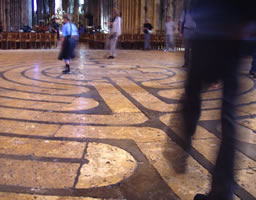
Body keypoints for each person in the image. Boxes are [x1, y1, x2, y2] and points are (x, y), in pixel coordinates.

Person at [173, 1, 256, 200]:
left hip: (210, 33)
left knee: (193, 93)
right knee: (229, 116)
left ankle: (185, 138)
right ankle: (222, 192)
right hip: (235, 36)